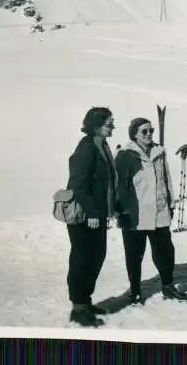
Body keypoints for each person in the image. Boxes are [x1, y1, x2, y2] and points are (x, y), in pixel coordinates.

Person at [115, 117, 187, 305]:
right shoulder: (125, 155)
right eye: (144, 131)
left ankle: (168, 286)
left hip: (160, 211)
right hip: (135, 215)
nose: (149, 134)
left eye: (151, 131)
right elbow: (118, 186)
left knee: (165, 252)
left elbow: (166, 179)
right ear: (134, 134)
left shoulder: (159, 152)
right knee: (134, 256)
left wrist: (171, 204)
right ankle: (135, 292)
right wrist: (120, 212)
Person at [66, 107, 118, 327]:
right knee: (83, 260)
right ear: (96, 126)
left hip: (98, 215)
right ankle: (78, 309)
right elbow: (78, 184)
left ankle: (85, 302)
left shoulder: (102, 145)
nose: (112, 127)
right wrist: (92, 213)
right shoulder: (86, 148)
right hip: (86, 216)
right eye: (109, 124)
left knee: (96, 256)